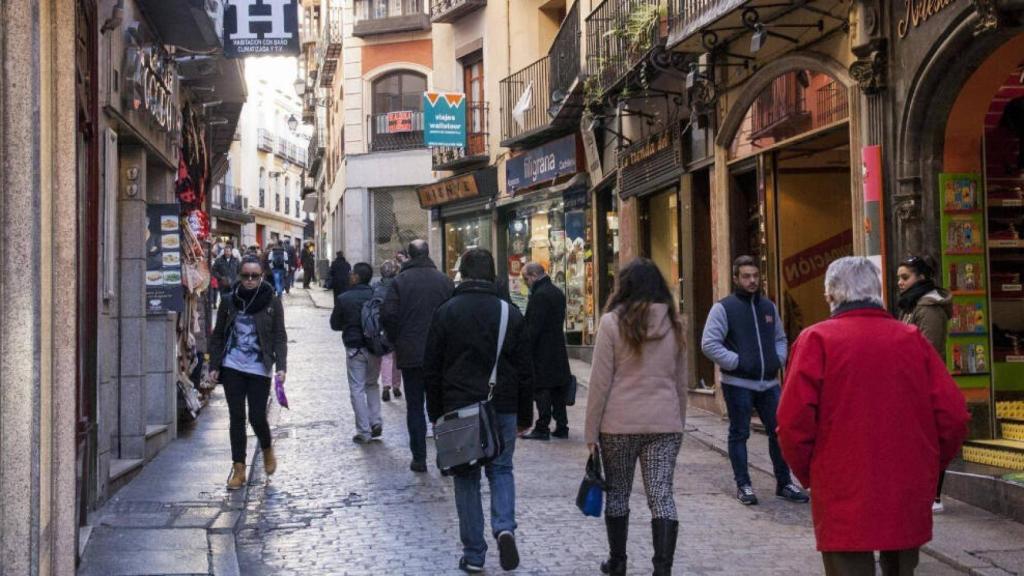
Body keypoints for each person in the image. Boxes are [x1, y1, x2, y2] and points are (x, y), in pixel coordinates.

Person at [777, 257, 969, 576]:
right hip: (905, 484)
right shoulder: (911, 340)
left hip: (840, 485)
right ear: (877, 292)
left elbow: (792, 425)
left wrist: (812, 474)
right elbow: (954, 417)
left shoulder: (817, 341)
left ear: (831, 296)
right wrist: (929, 468)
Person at [423, 248, 533, 574]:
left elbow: (432, 369)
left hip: (459, 409)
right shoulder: (509, 313)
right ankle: (504, 528)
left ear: (462, 273)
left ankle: (473, 554)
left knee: (467, 478)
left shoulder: (445, 312)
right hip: (503, 405)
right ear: (492, 275)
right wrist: (526, 414)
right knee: (501, 470)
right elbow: (526, 369)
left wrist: (435, 413)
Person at [585, 258, 689, 576]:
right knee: (661, 494)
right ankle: (663, 569)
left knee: (618, 493)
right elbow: (680, 381)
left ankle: (618, 562)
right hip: (664, 423)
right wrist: (678, 422)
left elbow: (600, 383)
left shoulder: (612, 323)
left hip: (619, 424)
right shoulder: (675, 323)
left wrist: (591, 434)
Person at [700, 255, 808, 506]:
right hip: (738, 384)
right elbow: (708, 344)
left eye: (755, 276)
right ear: (736, 278)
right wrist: (737, 362)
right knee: (739, 433)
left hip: (770, 383)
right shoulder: (724, 308)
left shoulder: (768, 307)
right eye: (746, 276)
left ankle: (784, 483)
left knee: (779, 433)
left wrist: (777, 359)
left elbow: (780, 338)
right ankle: (744, 485)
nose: (752, 281)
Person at [208, 256, 288, 490]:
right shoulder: (229, 301)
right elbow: (218, 335)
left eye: (255, 275)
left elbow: (279, 336)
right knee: (236, 418)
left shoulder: (272, 301)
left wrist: (281, 366)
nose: (250, 280)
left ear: (262, 276)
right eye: (246, 276)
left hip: (259, 366)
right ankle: (239, 468)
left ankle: (267, 448)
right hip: (232, 365)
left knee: (256, 416)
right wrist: (214, 365)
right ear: (239, 276)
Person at [382, 239, 454, 473]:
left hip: (412, 353)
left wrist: (398, 340)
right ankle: (445, 459)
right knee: (442, 407)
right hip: (441, 353)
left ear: (410, 256)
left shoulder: (400, 282)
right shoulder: (444, 281)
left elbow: (389, 315)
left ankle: (419, 458)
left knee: (415, 406)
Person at [896, 255, 954, 514]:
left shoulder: (928, 308)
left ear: (921, 278)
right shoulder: (911, 304)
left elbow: (929, 351)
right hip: (911, 383)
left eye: (904, 277)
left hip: (925, 385)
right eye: (898, 277)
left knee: (929, 441)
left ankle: (934, 496)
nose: (899, 282)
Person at [331, 262, 383, 444]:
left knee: (357, 388)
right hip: (375, 347)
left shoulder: (344, 298)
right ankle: (376, 421)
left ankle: (364, 430)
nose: (349, 275)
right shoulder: (376, 296)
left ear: (356, 277)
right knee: (372, 384)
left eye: (352, 273)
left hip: (355, 348)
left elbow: (334, 324)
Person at [520, 262, 572, 440]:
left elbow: (534, 327)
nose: (525, 282)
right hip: (557, 348)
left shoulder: (539, 295)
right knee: (558, 389)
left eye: (526, 278)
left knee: (542, 389)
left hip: (542, 351)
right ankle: (562, 426)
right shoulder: (556, 292)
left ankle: (542, 427)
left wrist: (526, 347)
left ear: (534, 276)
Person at [377, 260, 403, 402]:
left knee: (386, 358)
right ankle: (396, 385)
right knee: (397, 358)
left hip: (382, 326)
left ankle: (386, 385)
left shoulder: (376, 287)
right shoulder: (399, 286)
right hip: (398, 325)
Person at [212, 242, 241, 307]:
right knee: (224, 301)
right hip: (223, 285)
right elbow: (213, 270)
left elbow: (240, 272)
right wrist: (220, 278)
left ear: (231, 252)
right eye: (225, 251)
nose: (227, 253)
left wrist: (236, 280)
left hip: (233, 285)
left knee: (232, 301)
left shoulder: (236, 261)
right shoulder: (219, 261)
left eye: (228, 251)